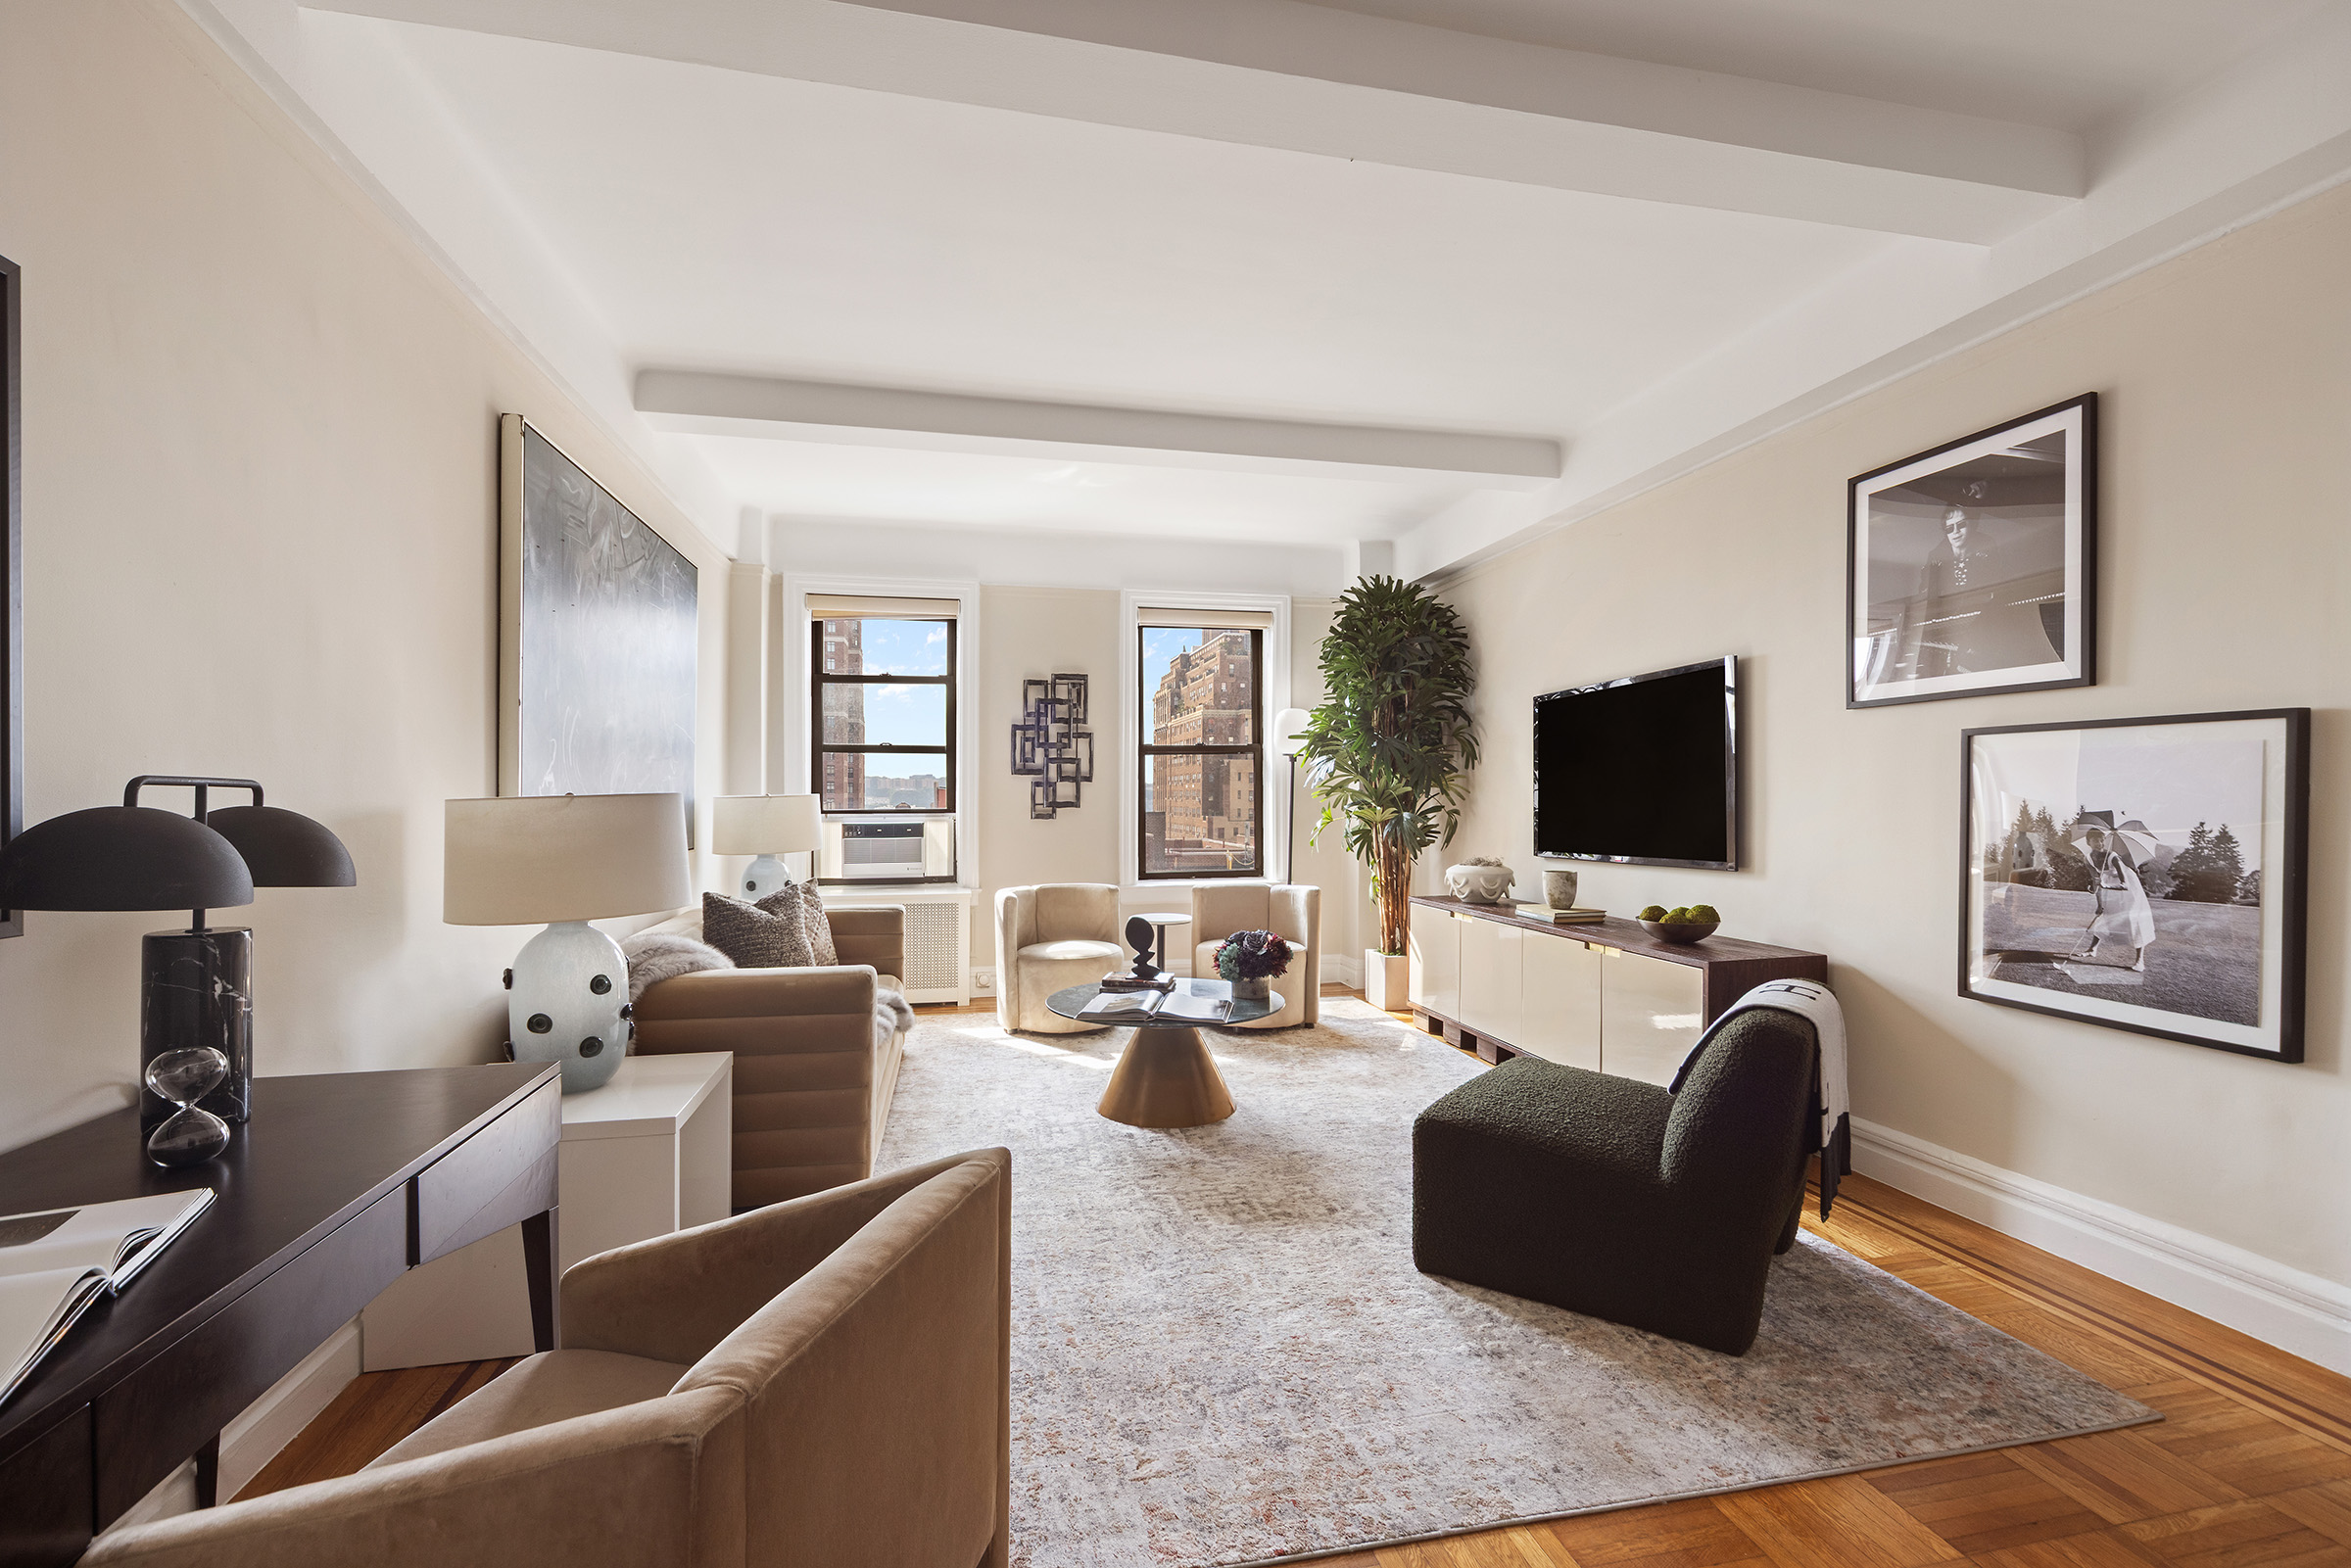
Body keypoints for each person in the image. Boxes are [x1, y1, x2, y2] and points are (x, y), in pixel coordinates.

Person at [2076, 827, 2156, 972]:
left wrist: (2105, 886)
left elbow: (2125, 885)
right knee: (2105, 916)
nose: (2100, 843)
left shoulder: (2113, 857)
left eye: (2102, 840)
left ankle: (2140, 961)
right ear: (2088, 842)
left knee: (2133, 919)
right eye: (2095, 840)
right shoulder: (2088, 859)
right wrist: (2099, 903)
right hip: (2109, 886)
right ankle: (2092, 949)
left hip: (2129, 888)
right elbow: (2095, 881)